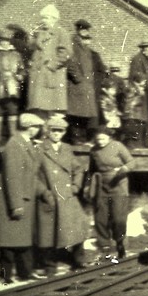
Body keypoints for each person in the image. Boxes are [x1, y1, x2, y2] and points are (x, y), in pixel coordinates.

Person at [0, 113, 46, 284]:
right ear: (29, 127)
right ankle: (6, 277)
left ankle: (25, 273)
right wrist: (16, 204)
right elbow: (12, 177)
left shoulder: (25, 144)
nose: (37, 131)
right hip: (15, 201)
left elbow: (32, 173)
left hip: (24, 198)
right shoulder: (14, 145)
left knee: (22, 239)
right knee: (8, 242)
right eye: (35, 127)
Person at [35, 116, 91, 275]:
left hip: (67, 196)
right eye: (54, 130)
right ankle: (49, 265)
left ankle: (78, 260)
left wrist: (76, 186)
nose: (57, 134)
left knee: (77, 228)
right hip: (50, 197)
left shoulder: (66, 148)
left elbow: (78, 168)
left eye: (60, 131)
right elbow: (33, 176)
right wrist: (44, 192)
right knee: (48, 233)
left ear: (64, 132)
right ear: (47, 131)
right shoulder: (39, 149)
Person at [86, 127, 136, 259]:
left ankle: (120, 243)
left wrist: (123, 169)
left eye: (103, 139)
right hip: (102, 186)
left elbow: (132, 162)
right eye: (98, 139)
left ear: (109, 137)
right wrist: (88, 185)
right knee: (100, 219)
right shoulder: (94, 150)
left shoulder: (118, 146)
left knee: (118, 218)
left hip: (118, 185)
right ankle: (105, 247)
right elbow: (91, 169)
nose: (100, 142)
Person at [66, 19, 106, 145]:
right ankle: (76, 139)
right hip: (78, 85)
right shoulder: (72, 44)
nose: (85, 32)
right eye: (82, 29)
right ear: (78, 30)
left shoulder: (85, 48)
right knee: (76, 113)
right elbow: (70, 63)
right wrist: (79, 79)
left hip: (87, 86)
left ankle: (81, 139)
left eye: (87, 30)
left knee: (84, 114)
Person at [27, 4, 71, 118]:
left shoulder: (61, 33)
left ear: (54, 18)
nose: (43, 20)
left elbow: (66, 53)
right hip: (39, 78)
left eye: (45, 18)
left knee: (55, 113)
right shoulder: (39, 34)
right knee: (39, 112)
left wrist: (51, 66)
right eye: (42, 18)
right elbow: (32, 49)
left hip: (53, 77)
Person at [0, 25, 26, 147]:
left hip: (13, 87)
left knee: (12, 110)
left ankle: (13, 137)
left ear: (10, 41)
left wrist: (21, 76)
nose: (5, 43)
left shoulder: (16, 54)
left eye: (7, 40)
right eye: (2, 40)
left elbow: (22, 69)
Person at [128, 40, 148, 146]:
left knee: (146, 118)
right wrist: (140, 88)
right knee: (140, 118)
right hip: (141, 94)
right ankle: (138, 143)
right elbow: (134, 76)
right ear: (145, 49)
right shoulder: (137, 59)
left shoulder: (147, 60)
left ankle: (147, 143)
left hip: (147, 93)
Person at [122, 74, 148, 149]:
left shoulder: (138, 88)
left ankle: (135, 145)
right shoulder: (132, 88)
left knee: (136, 130)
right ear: (138, 81)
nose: (144, 83)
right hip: (132, 113)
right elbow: (131, 99)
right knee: (132, 130)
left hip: (136, 113)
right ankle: (130, 145)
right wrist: (139, 90)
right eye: (143, 81)